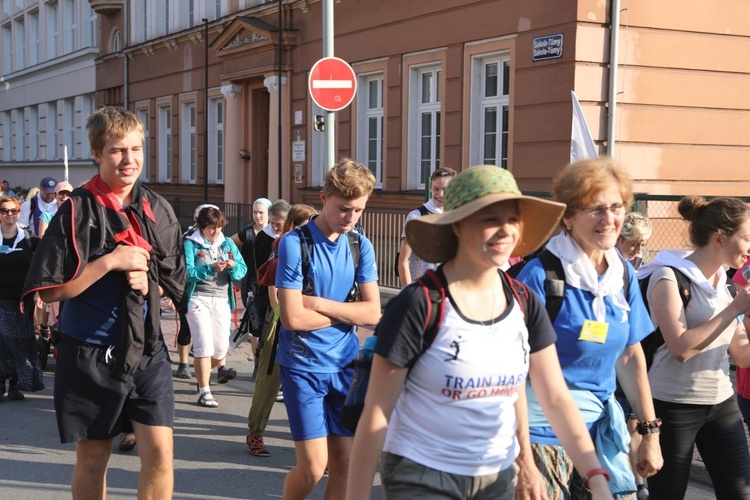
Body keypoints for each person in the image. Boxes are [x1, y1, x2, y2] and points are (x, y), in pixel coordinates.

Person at [22, 106, 187, 499]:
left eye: (135, 149)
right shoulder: (76, 209)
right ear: (98, 154)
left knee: (161, 455)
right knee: (95, 460)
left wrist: (150, 285)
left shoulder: (158, 209)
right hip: (88, 352)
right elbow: (49, 292)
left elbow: (171, 283)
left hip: (147, 351)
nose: (129, 160)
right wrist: (109, 262)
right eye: (117, 150)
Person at [516, 158, 662, 498]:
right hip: (541, 434)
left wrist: (650, 433)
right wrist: (522, 459)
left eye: (616, 207)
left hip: (601, 431)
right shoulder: (540, 277)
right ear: (568, 216)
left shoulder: (622, 275)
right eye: (595, 209)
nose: (609, 219)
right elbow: (507, 369)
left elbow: (629, 355)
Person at [276, 158, 380, 499]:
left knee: (345, 464)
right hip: (303, 366)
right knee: (311, 469)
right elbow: (292, 319)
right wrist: (349, 313)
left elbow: (373, 312)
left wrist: (320, 304)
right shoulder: (295, 243)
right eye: (344, 209)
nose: (350, 218)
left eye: (359, 211)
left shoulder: (359, 244)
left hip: (346, 366)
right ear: (323, 197)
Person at [637, 195, 750, 498]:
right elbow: (681, 348)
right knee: (667, 495)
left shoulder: (723, 282)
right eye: (746, 239)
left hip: (721, 404)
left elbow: (742, 355)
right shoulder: (667, 276)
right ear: (719, 238)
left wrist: (746, 312)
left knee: (740, 492)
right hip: (673, 405)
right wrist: (735, 308)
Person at [245, 203, 317, 457]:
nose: (314, 228)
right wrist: (285, 318)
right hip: (281, 320)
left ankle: (317, 446)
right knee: (270, 378)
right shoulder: (285, 246)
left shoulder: (320, 249)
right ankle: (255, 433)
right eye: (308, 224)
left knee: (312, 383)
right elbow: (275, 293)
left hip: (312, 321)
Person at [183, 205, 247, 407]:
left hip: (221, 299)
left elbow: (242, 269)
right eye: (211, 228)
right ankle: (204, 390)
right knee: (204, 344)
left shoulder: (227, 243)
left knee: (220, 349)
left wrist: (233, 266)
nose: (216, 232)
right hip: (198, 298)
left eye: (219, 227)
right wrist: (210, 268)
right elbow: (186, 272)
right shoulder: (191, 244)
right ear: (202, 226)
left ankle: (203, 374)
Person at [0, 196, 44, 402]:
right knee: (2, 342)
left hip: (21, 301)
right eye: (4, 211)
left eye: (14, 211)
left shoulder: (28, 239)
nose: (9, 214)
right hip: (0, 299)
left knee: (18, 343)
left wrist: (40, 290)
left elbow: (48, 256)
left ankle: (15, 384)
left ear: (19, 213)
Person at [397, 167, 456, 286]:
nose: (440, 194)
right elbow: (403, 261)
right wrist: (408, 295)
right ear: (430, 188)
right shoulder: (416, 217)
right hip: (423, 291)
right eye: (436, 189)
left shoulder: (456, 216)